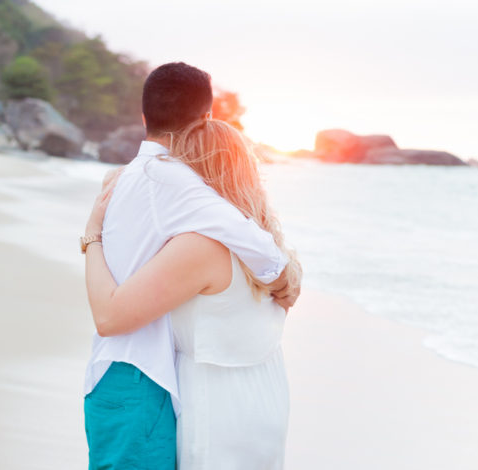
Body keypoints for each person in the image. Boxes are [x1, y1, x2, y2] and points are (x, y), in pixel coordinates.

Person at [81, 62, 301, 469]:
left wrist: (91, 233)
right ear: (206, 119)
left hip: (121, 373)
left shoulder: (127, 177)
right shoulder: (173, 181)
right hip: (139, 377)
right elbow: (255, 242)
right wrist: (283, 277)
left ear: (143, 116)